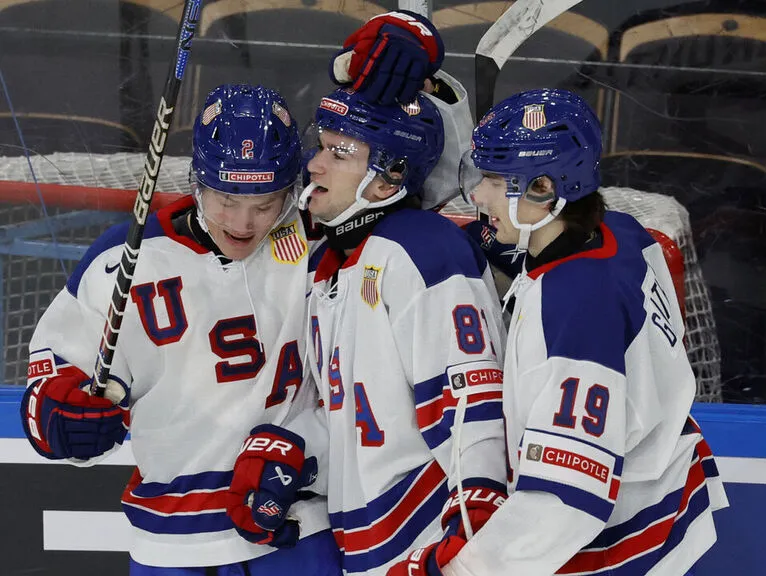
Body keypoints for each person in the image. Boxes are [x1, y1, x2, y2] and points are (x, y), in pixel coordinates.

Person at [20, 83, 342, 575]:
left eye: (265, 203)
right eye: (226, 199)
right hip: (169, 541)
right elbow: (56, 376)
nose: (243, 222)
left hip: (296, 528)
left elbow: (433, 182)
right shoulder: (125, 259)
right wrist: (58, 415)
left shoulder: (321, 240)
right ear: (197, 182)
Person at [422, 88, 727, 576]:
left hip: (620, 537)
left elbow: (565, 499)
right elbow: (547, 258)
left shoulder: (576, 308)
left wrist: (460, 571)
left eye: (496, 180)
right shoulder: (618, 229)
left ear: (543, 188)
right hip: (662, 481)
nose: (477, 195)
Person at [293, 75, 508, 575]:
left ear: (388, 180)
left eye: (339, 154)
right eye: (321, 147)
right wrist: (296, 450)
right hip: (369, 540)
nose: (314, 165)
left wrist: (471, 535)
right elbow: (359, 412)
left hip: (430, 538)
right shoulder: (329, 262)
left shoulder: (420, 248)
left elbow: (471, 404)